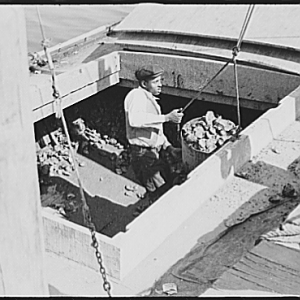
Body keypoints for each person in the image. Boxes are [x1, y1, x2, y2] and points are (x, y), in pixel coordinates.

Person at [124, 64, 184, 200]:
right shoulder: (136, 96)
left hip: (152, 151)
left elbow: (153, 128)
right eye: (156, 82)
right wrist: (167, 117)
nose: (160, 85)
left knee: (164, 183)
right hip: (143, 154)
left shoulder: (148, 97)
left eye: (160, 81)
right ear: (144, 83)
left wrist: (167, 146)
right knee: (159, 190)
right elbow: (135, 120)